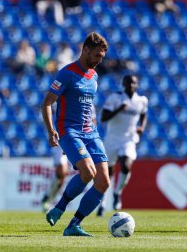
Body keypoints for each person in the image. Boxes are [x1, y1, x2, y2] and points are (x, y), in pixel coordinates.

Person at [41, 32, 109, 236]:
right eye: (97, 56)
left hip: (91, 133)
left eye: (102, 58)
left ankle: (74, 225)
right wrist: (50, 130)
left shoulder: (94, 76)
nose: (99, 61)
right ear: (85, 50)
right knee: (88, 172)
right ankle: (59, 207)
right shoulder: (66, 73)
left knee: (104, 181)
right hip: (69, 131)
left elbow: (88, 107)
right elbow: (46, 103)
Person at [96, 75, 148, 216]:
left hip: (129, 139)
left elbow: (144, 115)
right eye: (129, 83)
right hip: (112, 139)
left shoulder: (141, 101)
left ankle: (117, 192)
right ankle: (102, 204)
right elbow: (103, 117)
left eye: (135, 83)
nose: (132, 85)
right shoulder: (115, 98)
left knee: (126, 165)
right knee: (108, 174)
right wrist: (118, 110)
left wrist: (141, 127)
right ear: (123, 84)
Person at [41, 105, 97, 213]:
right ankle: (48, 198)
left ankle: (78, 205)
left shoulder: (88, 103)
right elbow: (47, 107)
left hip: (80, 141)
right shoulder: (62, 98)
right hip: (62, 138)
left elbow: (93, 122)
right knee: (61, 172)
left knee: (87, 171)